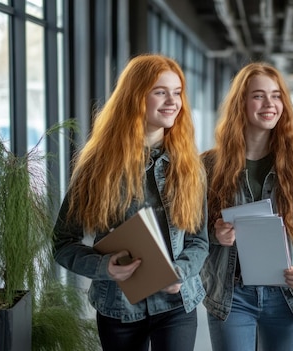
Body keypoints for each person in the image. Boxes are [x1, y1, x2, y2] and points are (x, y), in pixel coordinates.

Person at [52, 54, 208, 351]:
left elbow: (199, 241)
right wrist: (103, 267)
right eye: (160, 92)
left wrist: (182, 271)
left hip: (177, 304)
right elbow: (62, 243)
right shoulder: (97, 166)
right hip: (118, 307)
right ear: (135, 97)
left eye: (177, 93)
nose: (172, 101)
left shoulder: (189, 165)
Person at [201, 62, 293, 351]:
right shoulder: (208, 165)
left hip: (284, 294)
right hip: (232, 295)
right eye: (258, 95)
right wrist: (213, 234)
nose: (269, 103)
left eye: (276, 95)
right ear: (241, 103)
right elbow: (188, 234)